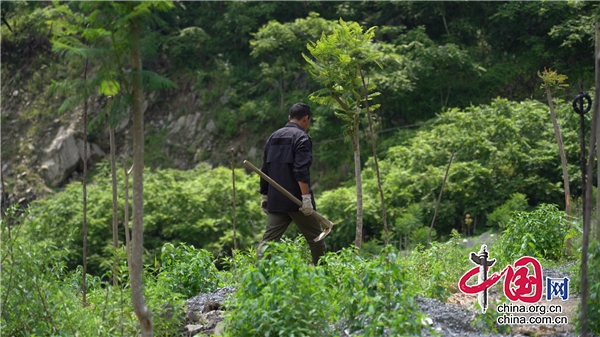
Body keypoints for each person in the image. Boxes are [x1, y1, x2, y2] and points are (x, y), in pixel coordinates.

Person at [257, 102, 326, 265]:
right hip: (298, 201)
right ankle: (324, 275)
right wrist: (306, 199)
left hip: (276, 199)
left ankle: (257, 276)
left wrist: (265, 196)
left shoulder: (273, 136)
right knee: (316, 239)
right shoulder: (302, 138)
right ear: (306, 119)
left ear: (289, 118)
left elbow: (264, 169)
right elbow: (301, 171)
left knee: (267, 243)